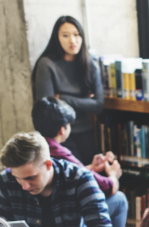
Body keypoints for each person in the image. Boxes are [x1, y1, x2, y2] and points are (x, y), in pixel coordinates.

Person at [32, 97, 128, 227]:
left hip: (43, 216)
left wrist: (90, 168)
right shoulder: (60, 152)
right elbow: (107, 188)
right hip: (69, 217)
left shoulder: (34, 147)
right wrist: (113, 175)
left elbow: (66, 175)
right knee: (120, 199)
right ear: (63, 129)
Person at [34, 15, 104, 161]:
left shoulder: (91, 65)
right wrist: (84, 101)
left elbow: (98, 105)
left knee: (91, 172)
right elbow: (48, 109)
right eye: (65, 36)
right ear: (57, 38)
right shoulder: (47, 65)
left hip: (85, 129)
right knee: (74, 176)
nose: (72, 41)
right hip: (58, 134)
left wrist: (64, 98)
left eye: (76, 35)